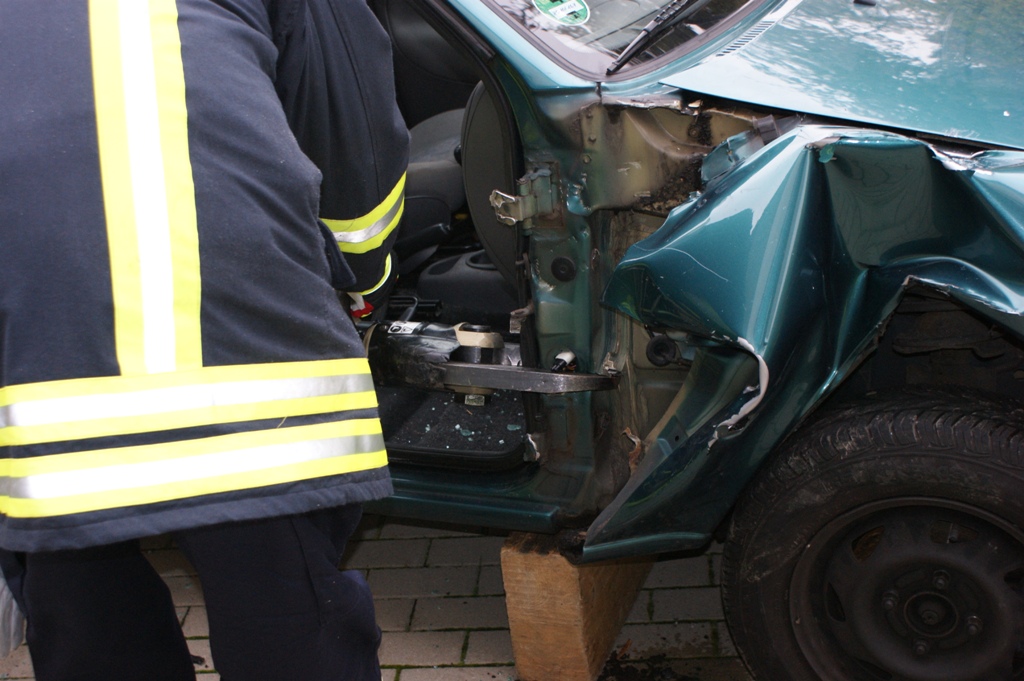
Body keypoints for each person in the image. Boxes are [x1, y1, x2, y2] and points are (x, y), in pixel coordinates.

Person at [0, 0, 409, 679]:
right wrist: (367, 278)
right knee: (290, 621)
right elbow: (351, 132)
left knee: (84, 617)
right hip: (251, 363)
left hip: (44, 361)